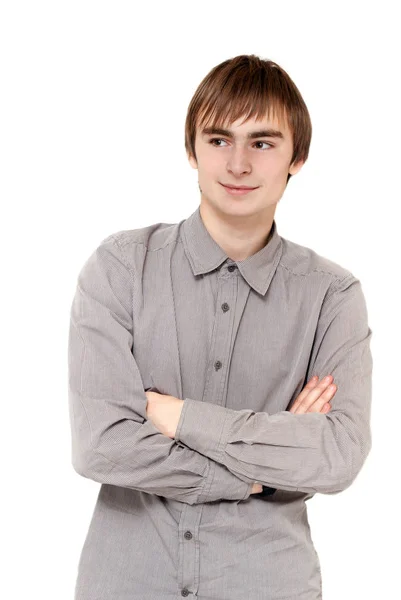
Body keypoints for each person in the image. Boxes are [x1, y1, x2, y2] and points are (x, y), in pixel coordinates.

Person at [68, 54, 373, 600]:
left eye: (261, 143)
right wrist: (262, 474)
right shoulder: (120, 268)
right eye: (217, 140)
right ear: (192, 151)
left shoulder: (332, 296)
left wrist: (174, 414)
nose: (237, 164)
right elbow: (102, 445)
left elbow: (337, 456)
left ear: (296, 157)